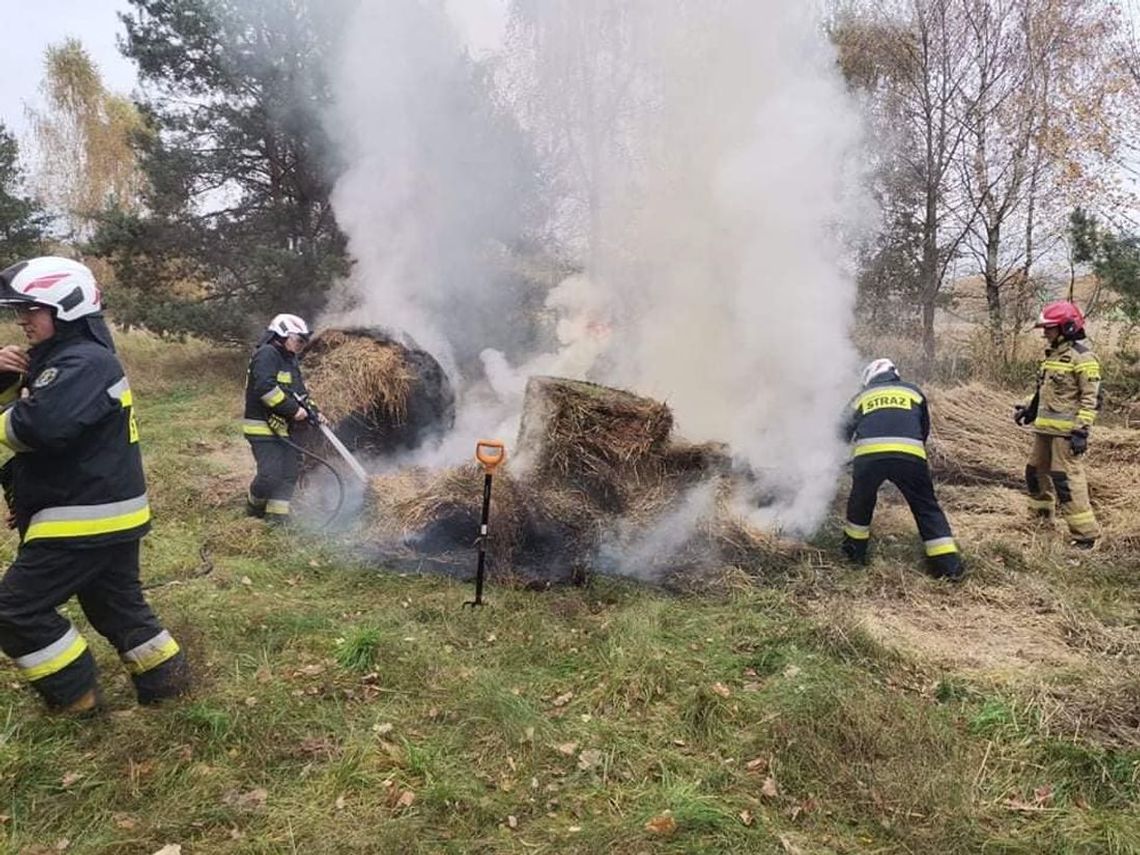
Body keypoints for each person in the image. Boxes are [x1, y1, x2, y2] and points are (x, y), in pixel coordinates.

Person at [0, 256, 191, 714]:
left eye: (31, 310)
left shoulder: (82, 362)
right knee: (115, 607)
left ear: (65, 307)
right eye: (19, 310)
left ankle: (77, 697)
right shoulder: (72, 360)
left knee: (13, 610)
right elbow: (45, 423)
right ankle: (168, 683)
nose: (22, 320)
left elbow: (34, 430)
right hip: (100, 509)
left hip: (83, 515)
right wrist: (9, 381)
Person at [840, 358, 963, 579]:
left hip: (869, 458)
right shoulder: (913, 392)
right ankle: (949, 567)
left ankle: (853, 557)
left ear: (869, 378)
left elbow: (841, 432)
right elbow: (923, 428)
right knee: (926, 507)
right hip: (911, 456)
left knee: (861, 502)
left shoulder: (861, 396)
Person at [1014, 301, 1101, 547]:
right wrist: (1029, 408)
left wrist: (1081, 431)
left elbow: (1090, 399)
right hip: (1044, 430)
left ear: (1068, 328)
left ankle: (1085, 535)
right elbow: (1046, 390)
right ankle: (1041, 522)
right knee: (1034, 473)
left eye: (1050, 328)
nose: (1045, 333)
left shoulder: (1083, 359)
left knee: (1065, 480)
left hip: (1066, 434)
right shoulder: (1052, 356)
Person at [243, 314, 317, 523]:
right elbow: (265, 388)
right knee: (270, 475)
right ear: (283, 335)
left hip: (285, 430)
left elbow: (300, 393)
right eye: (299, 340)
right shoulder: (267, 354)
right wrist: (293, 411)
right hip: (262, 428)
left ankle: (278, 517)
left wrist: (315, 412)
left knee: (288, 474)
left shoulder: (290, 360)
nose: (302, 345)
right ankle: (254, 507)